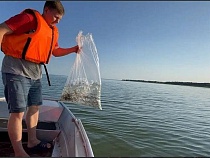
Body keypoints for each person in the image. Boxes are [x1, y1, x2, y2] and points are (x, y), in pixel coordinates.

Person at [0, 1, 79, 157]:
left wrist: (74, 50)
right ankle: (19, 152)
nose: (57, 21)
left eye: (60, 19)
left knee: (35, 107)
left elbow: (55, 51)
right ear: (46, 10)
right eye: (56, 17)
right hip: (16, 70)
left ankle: (32, 141)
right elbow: (2, 29)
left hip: (36, 73)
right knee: (17, 112)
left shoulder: (53, 31)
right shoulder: (29, 19)